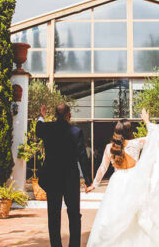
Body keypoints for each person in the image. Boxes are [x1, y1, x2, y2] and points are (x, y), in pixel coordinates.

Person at [85, 109, 159, 247]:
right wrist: (146, 121)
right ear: (129, 131)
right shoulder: (136, 143)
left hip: (116, 183)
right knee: (135, 216)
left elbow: (102, 168)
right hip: (135, 181)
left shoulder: (109, 147)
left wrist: (94, 185)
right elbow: (157, 138)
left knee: (114, 215)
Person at [36, 104, 92, 247]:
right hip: (70, 178)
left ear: (55, 114)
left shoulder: (47, 128)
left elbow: (38, 129)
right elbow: (82, 157)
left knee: (53, 215)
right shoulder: (76, 132)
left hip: (52, 178)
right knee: (74, 214)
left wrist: (42, 116)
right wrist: (88, 180)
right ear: (69, 115)